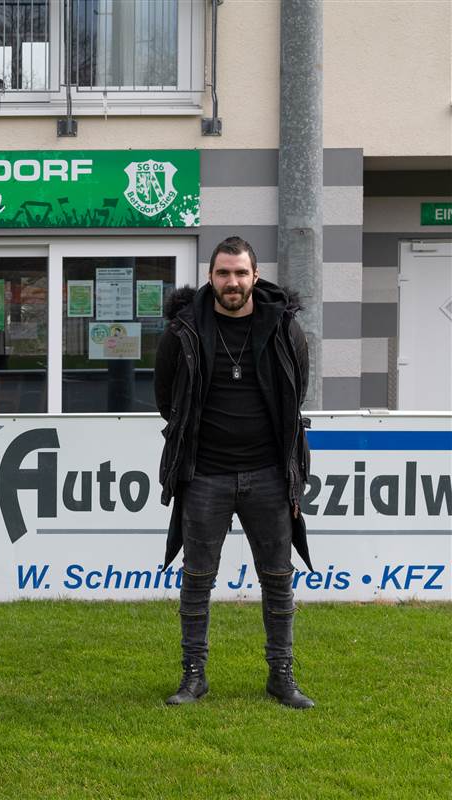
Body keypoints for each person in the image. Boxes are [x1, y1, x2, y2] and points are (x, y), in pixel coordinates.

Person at [155, 235, 315, 709]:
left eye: (241, 273)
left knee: (278, 578)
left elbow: (295, 394)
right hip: (205, 474)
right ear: (210, 277)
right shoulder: (183, 330)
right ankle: (193, 676)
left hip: (269, 473)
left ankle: (281, 677)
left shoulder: (285, 329)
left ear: (255, 276)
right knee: (197, 579)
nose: (232, 282)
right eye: (223, 273)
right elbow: (167, 401)